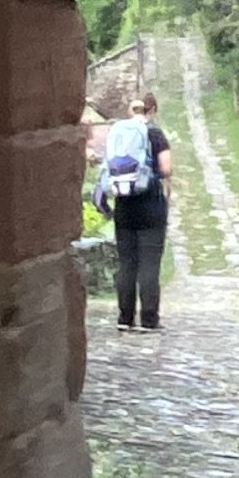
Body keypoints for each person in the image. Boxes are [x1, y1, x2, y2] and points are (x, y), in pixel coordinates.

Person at [92, 89, 172, 330]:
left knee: (127, 263)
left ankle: (124, 317)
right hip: (150, 204)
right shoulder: (155, 133)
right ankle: (149, 319)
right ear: (152, 110)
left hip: (124, 205)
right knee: (149, 263)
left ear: (131, 109)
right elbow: (166, 168)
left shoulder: (118, 132)